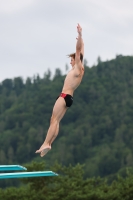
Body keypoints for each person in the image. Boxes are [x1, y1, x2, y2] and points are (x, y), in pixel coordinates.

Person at [35, 23, 84, 157]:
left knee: (53, 119)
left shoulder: (78, 68)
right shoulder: (80, 70)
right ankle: (49, 143)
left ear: (77, 60)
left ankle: (46, 143)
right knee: (56, 121)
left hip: (64, 96)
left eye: (72, 60)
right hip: (69, 98)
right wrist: (81, 38)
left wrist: (80, 34)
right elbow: (82, 49)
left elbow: (79, 51)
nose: (70, 62)